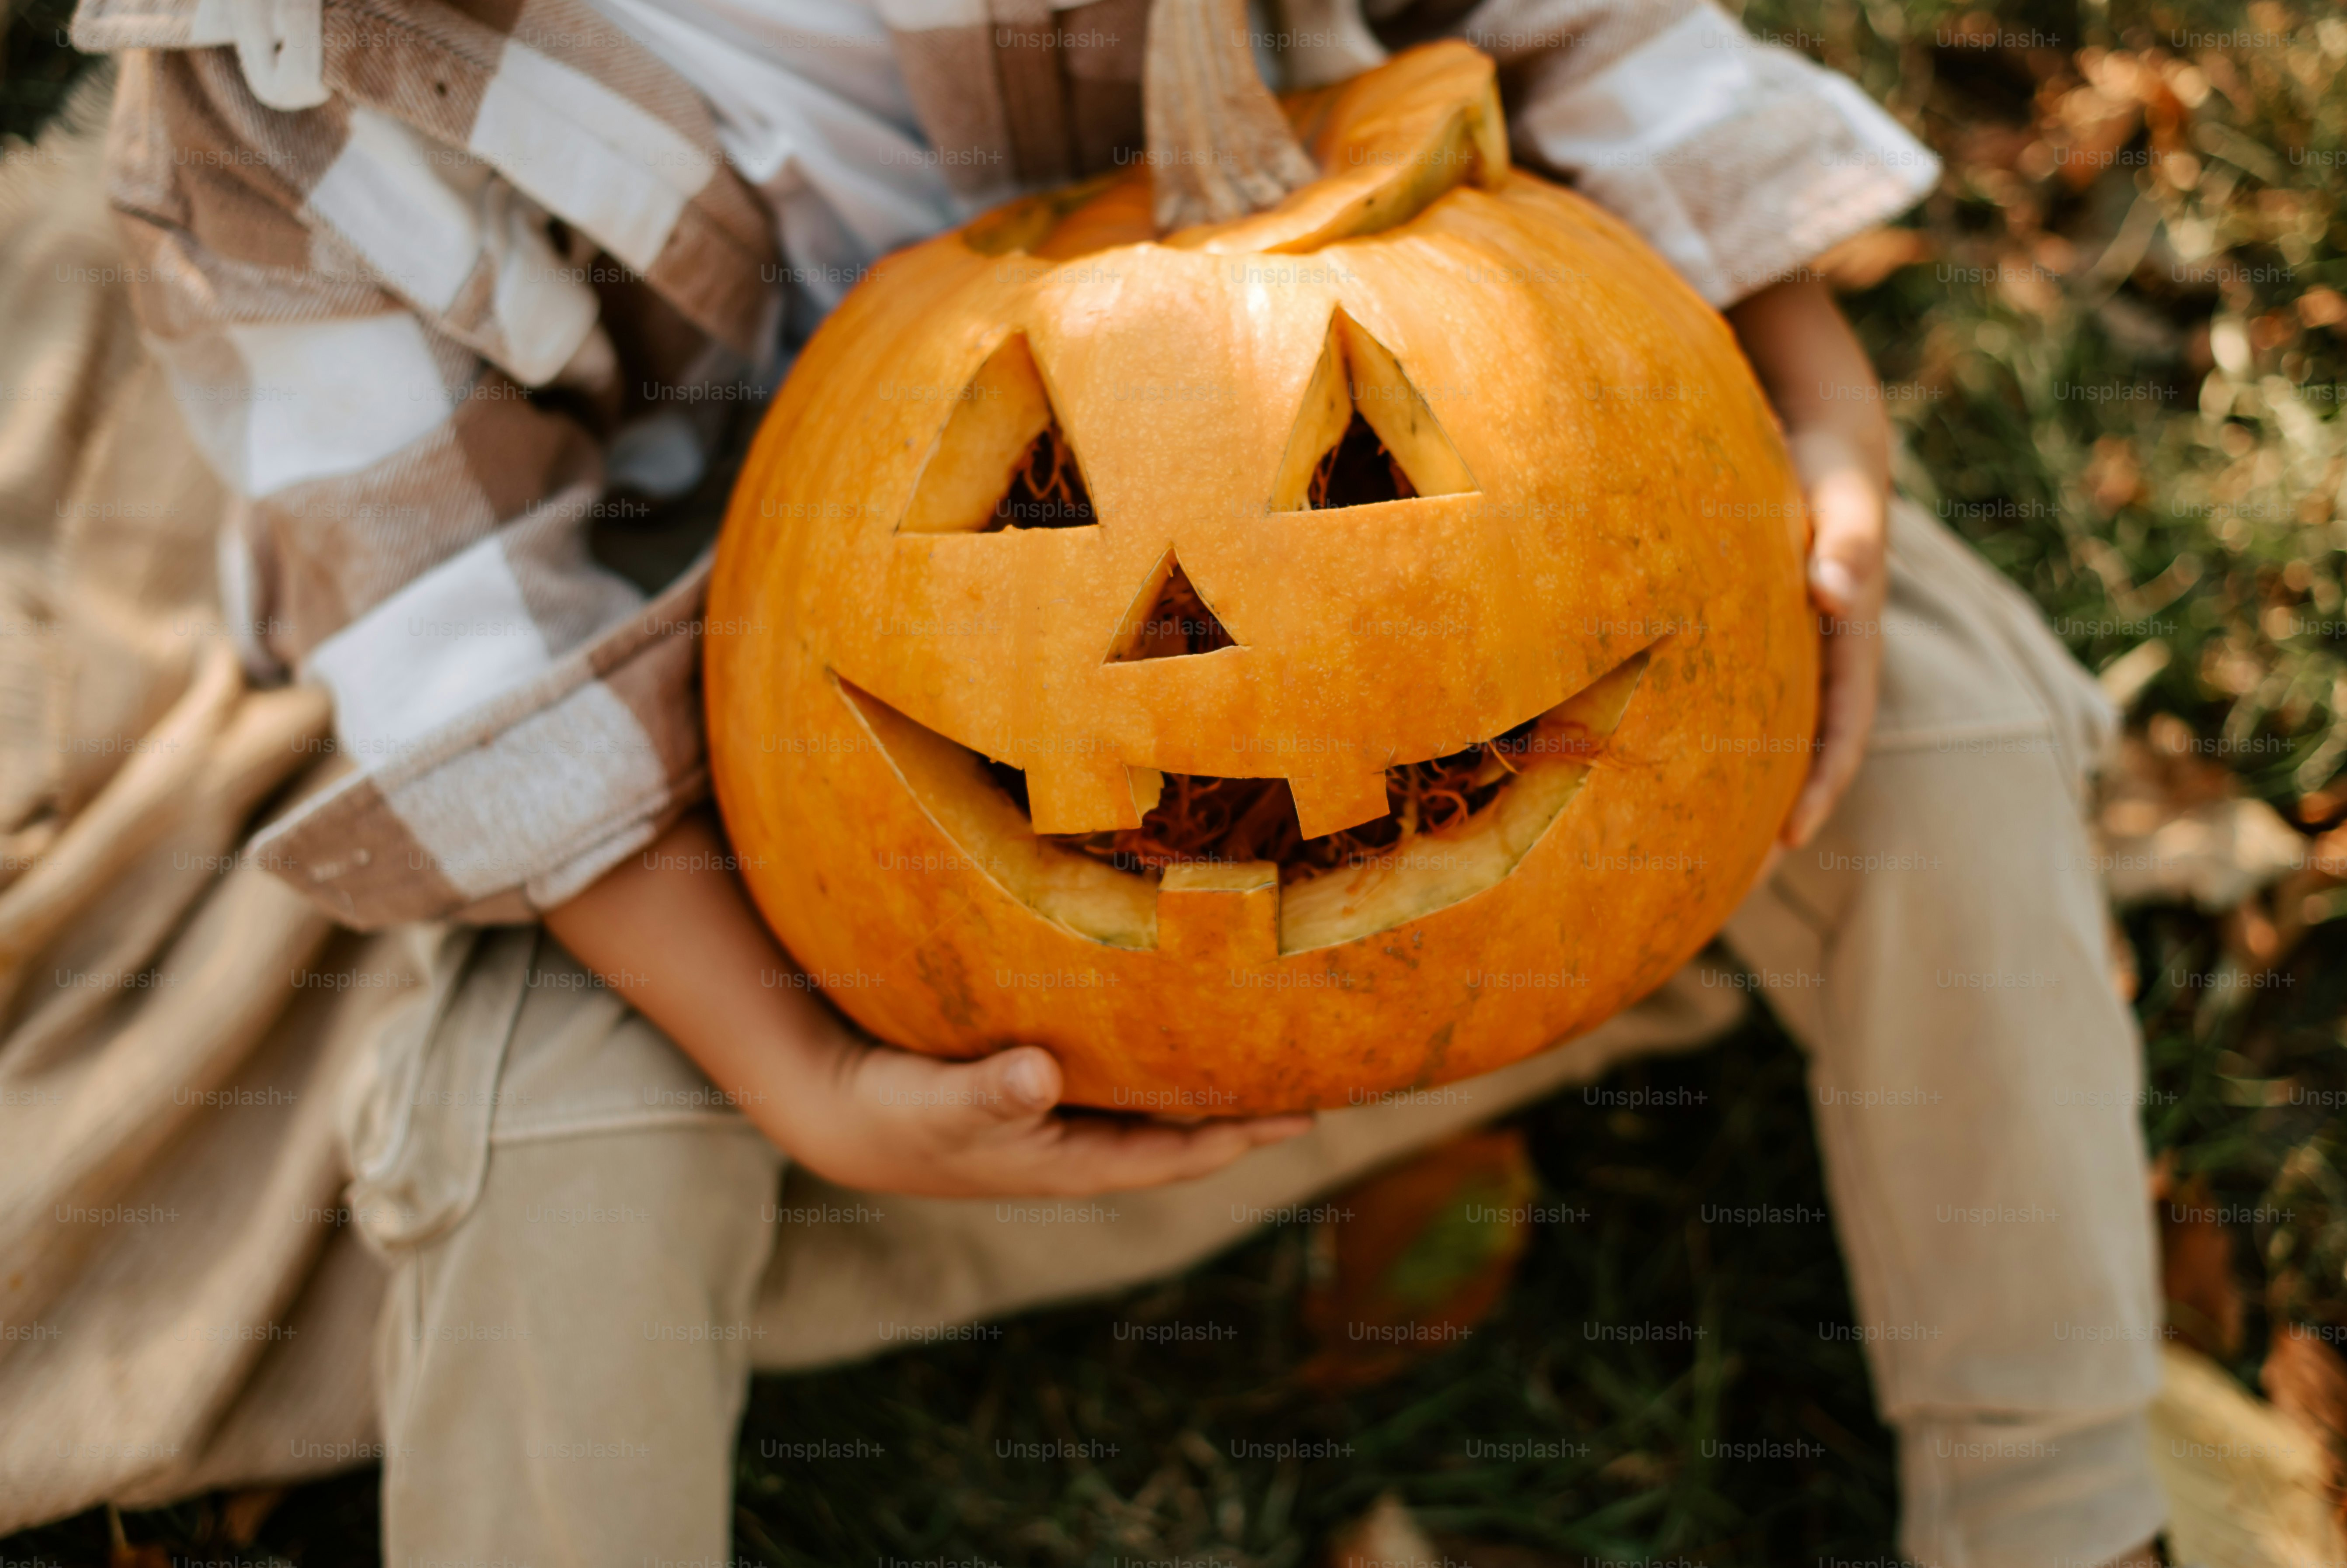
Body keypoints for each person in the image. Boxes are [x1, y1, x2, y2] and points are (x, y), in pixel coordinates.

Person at [51, 0, 2167, 1559]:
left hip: (1461, 468)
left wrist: (1815, 418)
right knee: (549, 1147)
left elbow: (1588, 37)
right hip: (708, 680)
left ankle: (2059, 1497)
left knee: (1943, 713)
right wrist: (793, 1072)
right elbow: (469, 659)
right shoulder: (272, 94)